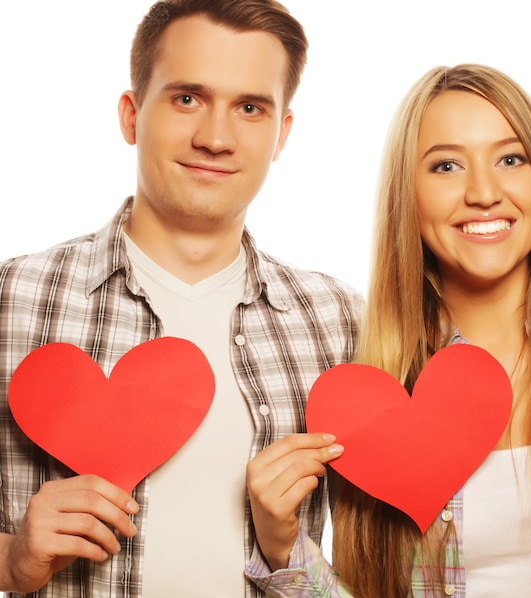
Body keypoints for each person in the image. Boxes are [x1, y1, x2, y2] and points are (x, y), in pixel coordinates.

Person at [0, 1, 362, 596]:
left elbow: (385, 570)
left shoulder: (342, 324)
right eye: (187, 98)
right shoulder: (13, 301)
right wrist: (12, 559)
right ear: (131, 114)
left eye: (249, 108)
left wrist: (288, 555)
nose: (215, 137)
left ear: (282, 135)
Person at [245, 64, 531, 597]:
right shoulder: (369, 394)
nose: (484, 192)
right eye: (446, 166)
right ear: (410, 196)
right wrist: (284, 550)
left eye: (511, 158)